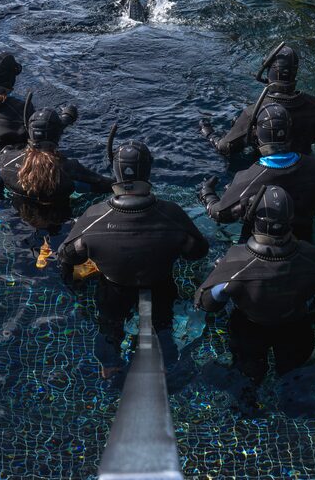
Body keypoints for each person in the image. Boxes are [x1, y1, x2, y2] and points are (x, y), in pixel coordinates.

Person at [60, 139, 209, 378]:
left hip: (113, 286)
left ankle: (110, 367)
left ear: (115, 173)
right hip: (160, 283)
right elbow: (198, 251)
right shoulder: (171, 213)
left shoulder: (94, 216)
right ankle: (167, 361)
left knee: (109, 327)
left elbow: (66, 255)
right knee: (163, 324)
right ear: (148, 171)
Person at [194, 185, 315, 409]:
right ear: (290, 218)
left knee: (248, 375)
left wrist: (221, 277)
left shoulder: (236, 262)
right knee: (294, 376)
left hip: (249, 329)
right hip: (296, 330)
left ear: (253, 218)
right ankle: (293, 406)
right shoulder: (312, 257)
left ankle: (248, 408)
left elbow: (207, 303)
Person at [198, 102, 315, 242]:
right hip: (304, 242)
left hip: (256, 248)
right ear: (289, 131)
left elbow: (219, 214)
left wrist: (207, 193)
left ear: (257, 134)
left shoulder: (248, 179)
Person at [202, 43, 315, 159]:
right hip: (305, 168)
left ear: (269, 71)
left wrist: (209, 133)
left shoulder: (254, 112)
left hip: (265, 174)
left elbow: (226, 147)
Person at [0, 103, 111, 204]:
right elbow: (106, 185)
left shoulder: (9, 159)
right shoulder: (70, 168)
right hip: (62, 218)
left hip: (21, 213)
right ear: (57, 136)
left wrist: (0, 196)